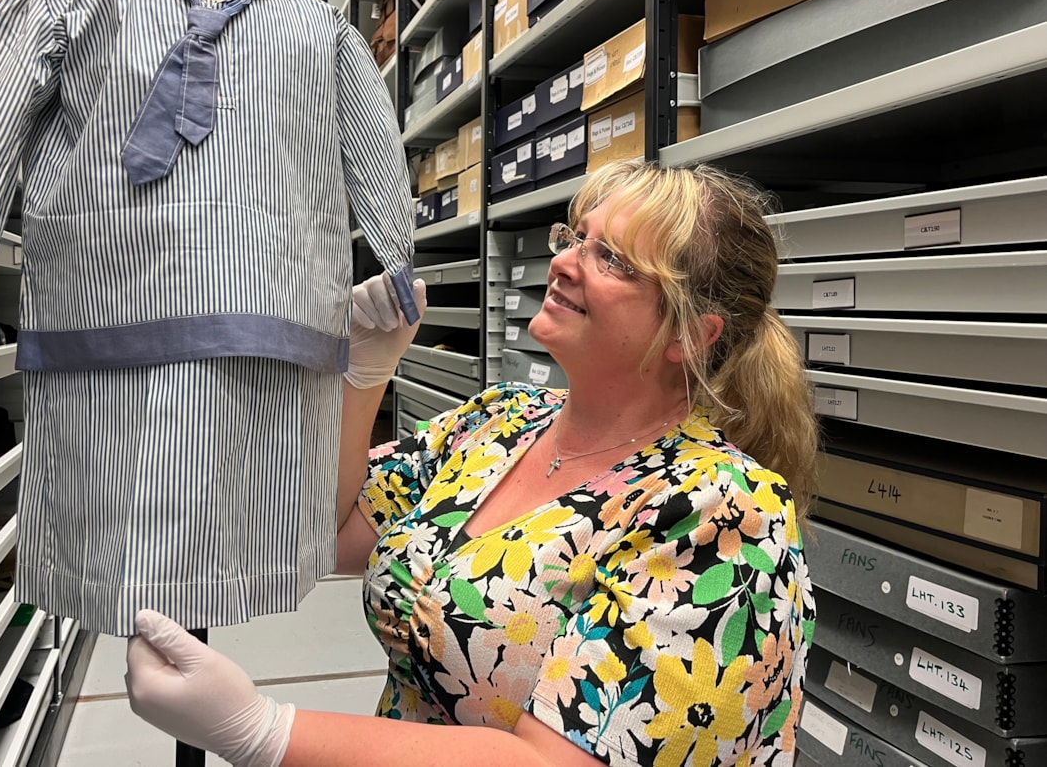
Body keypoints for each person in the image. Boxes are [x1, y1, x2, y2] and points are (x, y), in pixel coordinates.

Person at [124, 160, 818, 767]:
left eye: (611, 259)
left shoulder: (724, 516)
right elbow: (328, 531)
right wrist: (364, 375)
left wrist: (264, 732)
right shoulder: (501, 422)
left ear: (690, 335)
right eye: (576, 237)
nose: (565, 261)